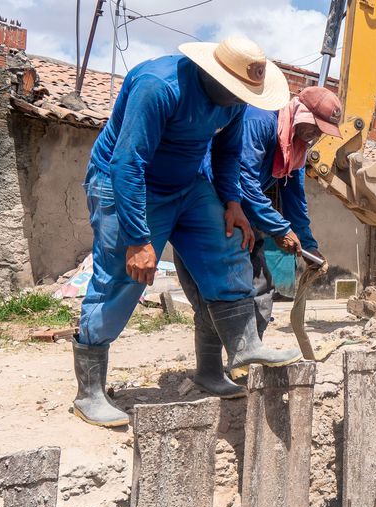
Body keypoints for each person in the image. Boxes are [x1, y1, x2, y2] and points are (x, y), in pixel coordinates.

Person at [73, 36, 300, 427]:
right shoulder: (158, 86)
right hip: (126, 182)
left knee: (227, 249)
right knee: (120, 282)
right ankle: (89, 393)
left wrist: (232, 202)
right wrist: (138, 240)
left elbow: (227, 153)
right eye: (236, 91)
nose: (240, 98)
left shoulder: (235, 98)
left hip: (188, 184)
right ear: (212, 74)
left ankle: (232, 355)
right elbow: (127, 163)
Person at [175, 86, 341, 398]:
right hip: (207, 202)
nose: (315, 136)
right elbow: (242, 178)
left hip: (241, 209)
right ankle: (209, 372)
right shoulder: (261, 121)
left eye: (321, 133)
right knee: (213, 291)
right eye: (314, 128)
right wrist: (278, 228)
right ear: (301, 115)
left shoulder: (295, 147)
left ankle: (247, 359)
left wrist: (308, 243)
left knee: (260, 284)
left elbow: (295, 198)